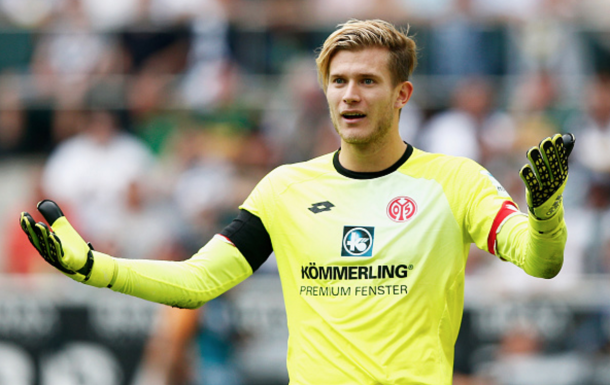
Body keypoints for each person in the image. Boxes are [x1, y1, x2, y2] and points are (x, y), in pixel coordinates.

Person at [20, 19, 574, 385]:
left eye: (367, 81)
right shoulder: (285, 188)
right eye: (337, 81)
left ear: (402, 94)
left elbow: (540, 261)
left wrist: (545, 213)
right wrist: (95, 268)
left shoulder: (455, 181)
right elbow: (196, 282)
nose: (350, 94)